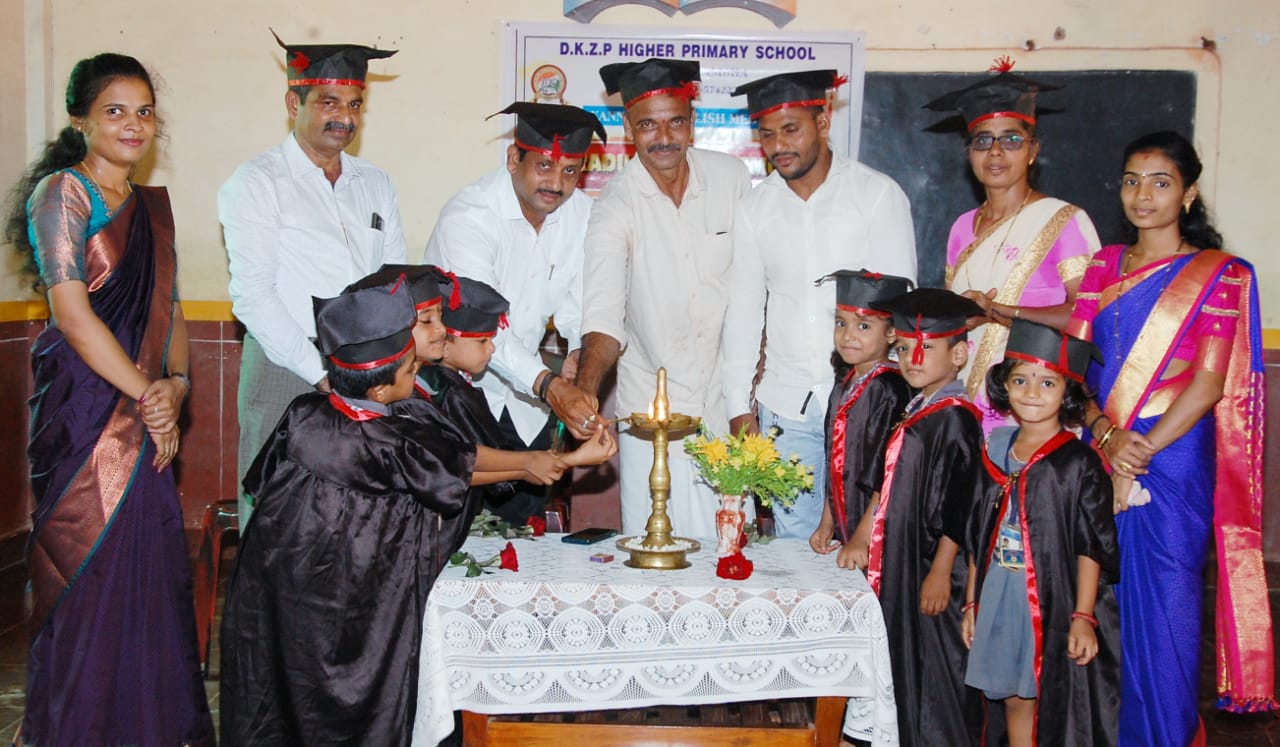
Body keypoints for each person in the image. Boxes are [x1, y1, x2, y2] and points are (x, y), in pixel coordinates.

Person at [2, 53, 214, 746]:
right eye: (115, 110)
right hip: (84, 411)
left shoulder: (152, 209)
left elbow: (171, 311)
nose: (133, 124)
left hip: (148, 410)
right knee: (86, 568)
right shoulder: (63, 194)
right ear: (81, 121)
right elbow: (72, 316)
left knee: (147, 570)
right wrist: (148, 391)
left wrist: (176, 385)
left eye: (144, 111)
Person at [1066, 131, 1276, 745]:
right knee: (1097, 608)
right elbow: (1076, 366)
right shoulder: (1102, 266)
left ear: (1188, 193)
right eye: (1132, 180)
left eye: (1160, 182)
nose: (1143, 195)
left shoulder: (1219, 275)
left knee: (1167, 615)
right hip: (1101, 451)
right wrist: (1106, 434)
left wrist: (1140, 449)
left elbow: (1208, 384)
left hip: (1173, 461)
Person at [220, 279, 477, 746]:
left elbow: (258, 484)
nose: (416, 371)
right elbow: (453, 477)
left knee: (283, 689)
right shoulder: (392, 440)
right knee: (354, 692)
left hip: (279, 586)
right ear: (379, 390)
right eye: (410, 369)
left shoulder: (302, 414)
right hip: (358, 599)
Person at [220, 32, 405, 527]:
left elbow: (392, 282)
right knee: (278, 516)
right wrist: (323, 374)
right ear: (292, 104)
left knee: (357, 517)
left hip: (366, 371)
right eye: (328, 102)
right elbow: (253, 297)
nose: (345, 117)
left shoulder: (375, 182)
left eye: (354, 104)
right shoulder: (257, 182)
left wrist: (376, 370)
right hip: (286, 364)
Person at [724, 70, 917, 539]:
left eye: (791, 130)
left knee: (865, 541)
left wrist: (896, 401)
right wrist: (737, 406)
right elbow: (744, 310)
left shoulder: (875, 195)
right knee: (797, 545)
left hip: (865, 406)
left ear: (824, 122)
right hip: (785, 405)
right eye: (767, 135)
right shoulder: (755, 209)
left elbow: (901, 308)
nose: (778, 146)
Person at [575, 58, 752, 540]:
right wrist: (586, 393)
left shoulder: (731, 178)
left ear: (692, 122)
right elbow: (604, 315)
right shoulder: (615, 205)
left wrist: (750, 390)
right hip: (653, 417)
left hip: (726, 404)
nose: (664, 137)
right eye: (648, 125)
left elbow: (755, 284)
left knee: (729, 547)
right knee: (654, 553)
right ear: (629, 129)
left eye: (675, 121)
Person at [425, 102, 607, 523]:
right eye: (544, 165)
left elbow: (581, 301)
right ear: (513, 159)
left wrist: (578, 351)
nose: (556, 183)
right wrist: (549, 385)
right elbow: (484, 327)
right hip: (456, 399)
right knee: (448, 532)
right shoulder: (469, 218)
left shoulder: (581, 215)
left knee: (520, 534)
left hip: (526, 408)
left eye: (570, 171)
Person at [963, 319, 1120, 746]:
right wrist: (972, 600)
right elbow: (978, 530)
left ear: (1067, 392)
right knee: (1011, 696)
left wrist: (1083, 616)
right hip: (999, 589)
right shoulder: (995, 449)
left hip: (1051, 598)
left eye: (1047, 383)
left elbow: (1091, 546)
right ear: (1004, 385)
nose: (1031, 392)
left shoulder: (1078, 464)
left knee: (1041, 695)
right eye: (1020, 380)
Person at [924, 59, 1100, 434]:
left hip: (1033, 407)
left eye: (1011, 140)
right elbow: (952, 321)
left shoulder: (1064, 220)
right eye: (982, 140)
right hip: (962, 403)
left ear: (1033, 150)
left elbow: (1088, 316)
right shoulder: (961, 228)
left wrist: (1002, 312)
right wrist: (963, 317)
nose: (995, 152)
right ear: (969, 152)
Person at [860, 288, 986, 746]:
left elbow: (962, 501)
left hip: (935, 565)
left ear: (958, 355)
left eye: (927, 348)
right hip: (910, 558)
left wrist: (940, 570)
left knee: (938, 674)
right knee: (910, 665)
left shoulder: (956, 418)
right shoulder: (919, 407)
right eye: (904, 348)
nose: (912, 359)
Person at [419, 273, 618, 526]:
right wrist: (571, 460)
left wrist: (549, 462)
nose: (492, 349)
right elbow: (462, 468)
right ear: (445, 344)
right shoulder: (448, 395)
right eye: (483, 340)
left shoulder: (454, 387)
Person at [808, 270, 912, 568]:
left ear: (891, 333)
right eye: (841, 323)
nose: (848, 335)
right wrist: (827, 523)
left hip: (878, 530)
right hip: (849, 524)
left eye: (863, 325)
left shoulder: (890, 388)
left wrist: (862, 538)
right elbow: (836, 462)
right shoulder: (845, 382)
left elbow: (887, 473)